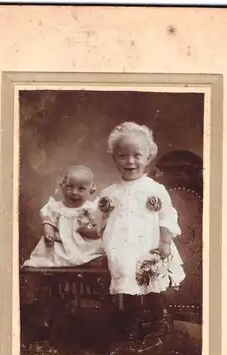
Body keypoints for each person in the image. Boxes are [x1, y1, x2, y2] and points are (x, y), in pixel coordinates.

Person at [96, 121, 185, 339]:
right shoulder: (111, 191)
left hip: (150, 245)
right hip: (123, 247)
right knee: (128, 283)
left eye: (137, 155)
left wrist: (164, 242)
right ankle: (131, 321)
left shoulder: (155, 189)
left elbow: (167, 216)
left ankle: (157, 319)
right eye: (123, 156)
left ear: (148, 158)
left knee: (152, 281)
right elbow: (100, 219)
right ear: (114, 157)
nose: (130, 161)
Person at [23, 165, 103, 268]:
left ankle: (87, 262)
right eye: (70, 187)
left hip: (83, 244)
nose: (74, 192)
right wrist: (49, 232)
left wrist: (90, 230)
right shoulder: (56, 207)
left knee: (94, 255)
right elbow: (48, 222)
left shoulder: (89, 209)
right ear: (62, 186)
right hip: (61, 243)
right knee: (48, 255)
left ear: (91, 190)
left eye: (81, 189)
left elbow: (96, 226)